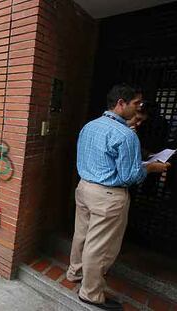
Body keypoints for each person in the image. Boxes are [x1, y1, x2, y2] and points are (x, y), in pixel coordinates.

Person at [66, 84, 171, 311]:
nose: (138, 108)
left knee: (82, 234)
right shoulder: (125, 135)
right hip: (108, 196)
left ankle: (75, 272)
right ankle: (91, 294)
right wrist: (152, 168)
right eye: (136, 104)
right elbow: (130, 175)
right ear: (121, 103)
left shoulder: (90, 126)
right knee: (100, 246)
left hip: (84, 187)